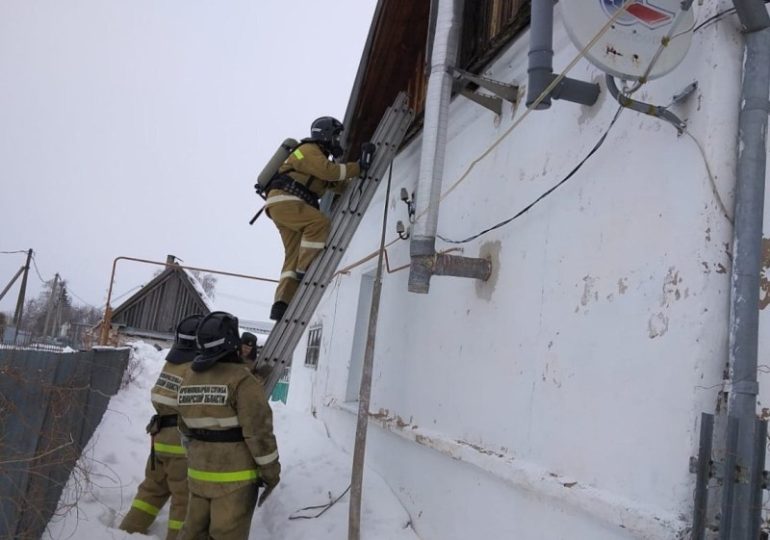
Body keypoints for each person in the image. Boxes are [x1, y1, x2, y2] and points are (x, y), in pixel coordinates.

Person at [176, 311, 280, 540]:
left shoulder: (188, 378)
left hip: (198, 475)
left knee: (192, 534)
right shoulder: (242, 380)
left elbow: (183, 427)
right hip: (235, 481)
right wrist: (272, 473)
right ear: (233, 340)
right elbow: (259, 434)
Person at [265, 116, 373, 321]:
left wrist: (362, 178)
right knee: (319, 223)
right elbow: (329, 172)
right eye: (336, 135)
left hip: (284, 204)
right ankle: (305, 270)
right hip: (286, 200)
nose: (337, 140)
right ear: (325, 134)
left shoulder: (316, 159)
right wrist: (358, 166)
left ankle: (282, 303)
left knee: (293, 254)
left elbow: (335, 184)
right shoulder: (306, 150)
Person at [119, 314, 203, 539]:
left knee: (152, 490)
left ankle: (128, 530)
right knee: (183, 499)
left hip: (160, 439)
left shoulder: (173, 362)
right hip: (180, 444)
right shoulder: (195, 367)